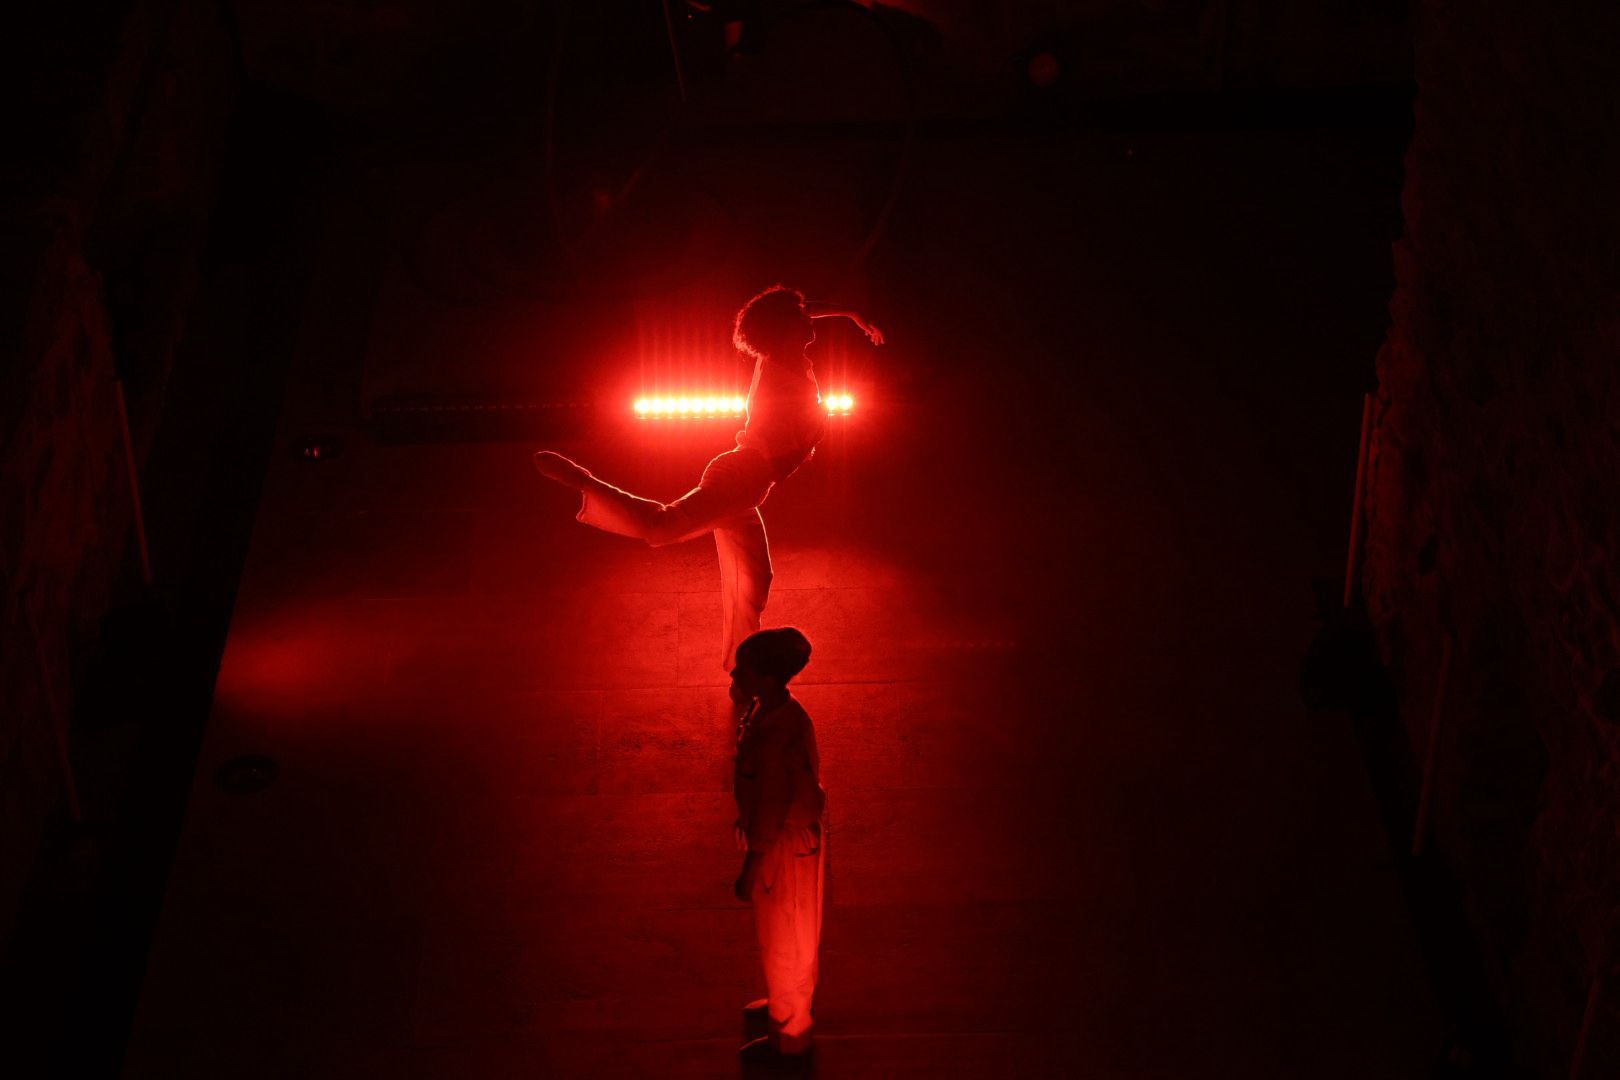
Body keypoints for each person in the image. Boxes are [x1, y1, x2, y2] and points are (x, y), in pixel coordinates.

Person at [533, 285, 883, 669]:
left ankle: (740, 666)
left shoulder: (784, 355)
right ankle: (584, 481)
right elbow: (788, 452)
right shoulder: (779, 371)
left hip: (746, 488)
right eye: (799, 317)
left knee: (754, 581)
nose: (808, 318)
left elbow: (804, 309)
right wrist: (807, 442)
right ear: (784, 330)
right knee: (661, 527)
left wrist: (851, 314)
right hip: (738, 479)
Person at [728, 627, 825, 1062]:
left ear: (766, 679)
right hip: (780, 842)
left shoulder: (778, 734)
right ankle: (784, 1003)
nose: (734, 676)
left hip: (783, 850)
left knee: (787, 935)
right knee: (782, 934)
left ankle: (791, 1035)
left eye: (742, 670)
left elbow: (771, 805)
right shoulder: (770, 712)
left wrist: (751, 866)